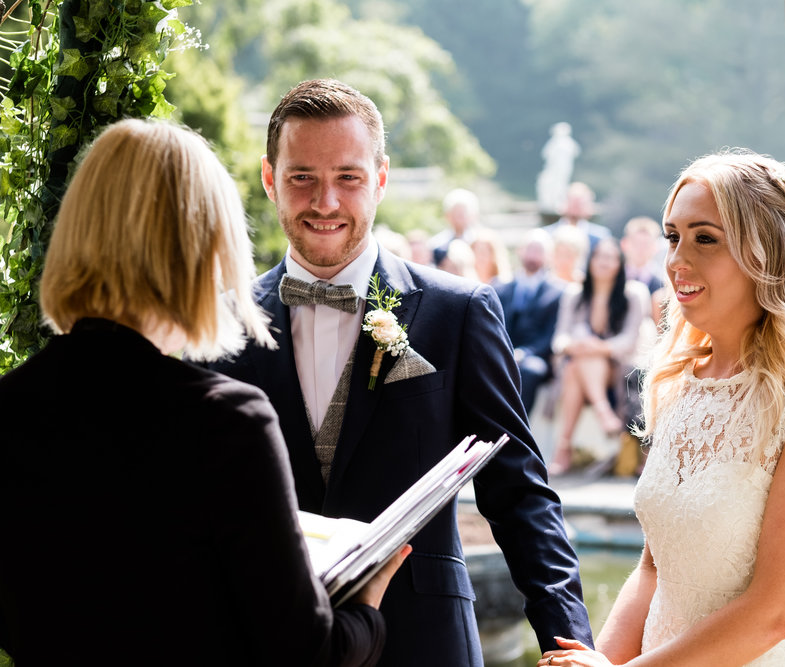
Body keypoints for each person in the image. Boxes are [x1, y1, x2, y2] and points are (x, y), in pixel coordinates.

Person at [205, 79, 593, 666]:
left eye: (349, 178)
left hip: (422, 639)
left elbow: (517, 490)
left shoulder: (457, 311)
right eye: (302, 177)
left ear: (381, 178)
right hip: (265, 641)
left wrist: (571, 642)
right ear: (269, 178)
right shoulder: (218, 323)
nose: (325, 201)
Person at [0, 118, 408, 667]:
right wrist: (367, 606)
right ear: (206, 244)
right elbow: (308, 651)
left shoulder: (9, 407)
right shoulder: (224, 420)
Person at [539, 150, 785, 666]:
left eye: (706, 239)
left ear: (766, 253)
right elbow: (654, 570)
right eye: (672, 236)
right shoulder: (680, 385)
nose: (677, 260)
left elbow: (776, 611)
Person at [549, 237, 649, 475]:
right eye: (599, 256)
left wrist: (597, 347)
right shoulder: (575, 294)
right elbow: (559, 339)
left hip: (620, 366)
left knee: (582, 362)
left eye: (611, 257)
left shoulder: (633, 293)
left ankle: (564, 450)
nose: (604, 262)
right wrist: (575, 346)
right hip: (580, 364)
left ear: (620, 262)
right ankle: (604, 413)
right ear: (590, 261)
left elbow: (629, 340)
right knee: (576, 366)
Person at [495, 229, 566, 416]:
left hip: (535, 357)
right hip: (502, 351)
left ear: (549, 256)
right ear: (520, 251)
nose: (533, 256)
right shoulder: (499, 287)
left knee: (531, 370)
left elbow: (551, 334)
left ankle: (516, 424)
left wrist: (524, 353)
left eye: (539, 251)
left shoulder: (558, 292)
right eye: (530, 249)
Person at [543, 182, 612, 258]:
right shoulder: (546, 235)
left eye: (580, 203)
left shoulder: (600, 238)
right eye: (573, 202)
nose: (576, 208)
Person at [429, 187, 481, 265]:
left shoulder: (481, 243)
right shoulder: (436, 245)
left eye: (462, 214)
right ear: (447, 216)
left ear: (473, 215)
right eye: (455, 214)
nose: (459, 219)